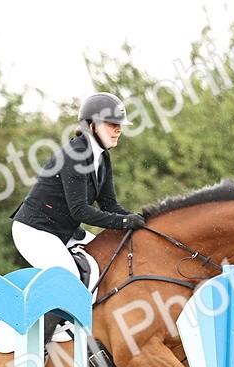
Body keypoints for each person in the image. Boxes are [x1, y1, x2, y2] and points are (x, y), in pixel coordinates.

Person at [11, 92, 146, 344]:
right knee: (68, 279)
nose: (118, 131)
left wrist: (140, 220)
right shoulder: (74, 154)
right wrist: (125, 223)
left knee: (107, 258)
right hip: (35, 231)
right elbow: (80, 211)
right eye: (112, 125)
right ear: (91, 125)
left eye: (119, 126)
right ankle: (36, 346)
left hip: (64, 231)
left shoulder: (102, 158)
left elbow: (109, 204)